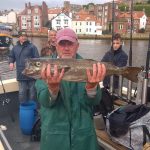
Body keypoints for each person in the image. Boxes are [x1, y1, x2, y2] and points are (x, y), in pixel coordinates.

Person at [35, 28, 106, 150]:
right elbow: (44, 101)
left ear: (77, 46)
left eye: (70, 44)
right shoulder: (46, 67)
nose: (66, 48)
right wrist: (52, 89)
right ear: (56, 45)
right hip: (54, 136)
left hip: (83, 136)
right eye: (62, 44)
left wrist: (92, 87)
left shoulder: (88, 66)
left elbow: (94, 101)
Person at [9, 31, 39, 103]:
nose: (24, 37)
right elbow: (11, 56)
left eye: (25, 36)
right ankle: (23, 109)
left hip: (31, 74)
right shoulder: (15, 48)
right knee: (22, 93)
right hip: (21, 74)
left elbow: (37, 59)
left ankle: (33, 109)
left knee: (33, 93)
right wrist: (11, 62)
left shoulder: (32, 47)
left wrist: (35, 71)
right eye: (22, 36)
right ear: (19, 37)